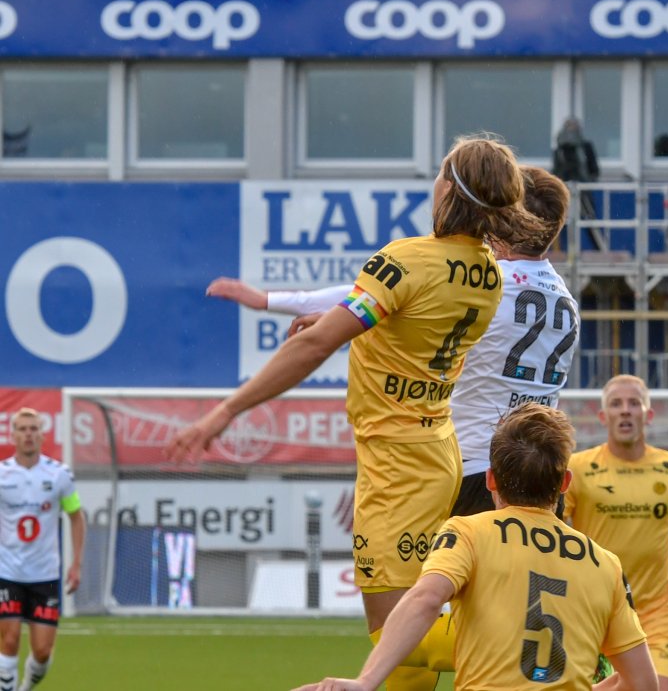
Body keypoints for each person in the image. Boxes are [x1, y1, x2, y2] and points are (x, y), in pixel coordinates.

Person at [168, 134, 542, 691]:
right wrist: (330, 323)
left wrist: (226, 410)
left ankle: (552, 650)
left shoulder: (405, 259)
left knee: (393, 629)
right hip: (435, 449)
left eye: (440, 172)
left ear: (450, 189)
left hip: (397, 467)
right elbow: (404, 320)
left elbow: (315, 347)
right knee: (411, 636)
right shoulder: (486, 272)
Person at [205, 165, 579, 517]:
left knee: (436, 584)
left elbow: (391, 290)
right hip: (541, 474)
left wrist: (276, 301)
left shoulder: (489, 283)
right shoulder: (565, 299)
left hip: (480, 470)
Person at [292, 403, 658, 691]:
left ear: (490, 479)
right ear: (565, 483)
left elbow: (424, 600)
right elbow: (643, 683)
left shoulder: (469, 532)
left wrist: (365, 682)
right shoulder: (603, 562)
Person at [563, 374, 668, 691]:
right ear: (603, 416)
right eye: (616, 404)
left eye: (634, 403)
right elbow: (555, 528)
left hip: (655, 611)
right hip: (594, 610)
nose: (625, 410)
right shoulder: (578, 467)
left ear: (648, 415)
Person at [0, 408, 86, 691]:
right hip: (7, 571)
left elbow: (76, 516)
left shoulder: (60, 475)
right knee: (9, 641)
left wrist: (76, 564)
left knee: (42, 652)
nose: (28, 434)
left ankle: (24, 687)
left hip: (45, 575)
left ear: (42, 435)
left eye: (33, 429)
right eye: (22, 429)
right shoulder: (1, 475)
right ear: (12, 435)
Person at [551, 117, 603, 250]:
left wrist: (586, 182)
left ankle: (600, 249)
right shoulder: (560, 150)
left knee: (589, 222)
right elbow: (557, 170)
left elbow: (594, 170)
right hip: (564, 189)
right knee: (558, 220)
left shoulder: (585, 147)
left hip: (582, 190)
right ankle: (557, 252)